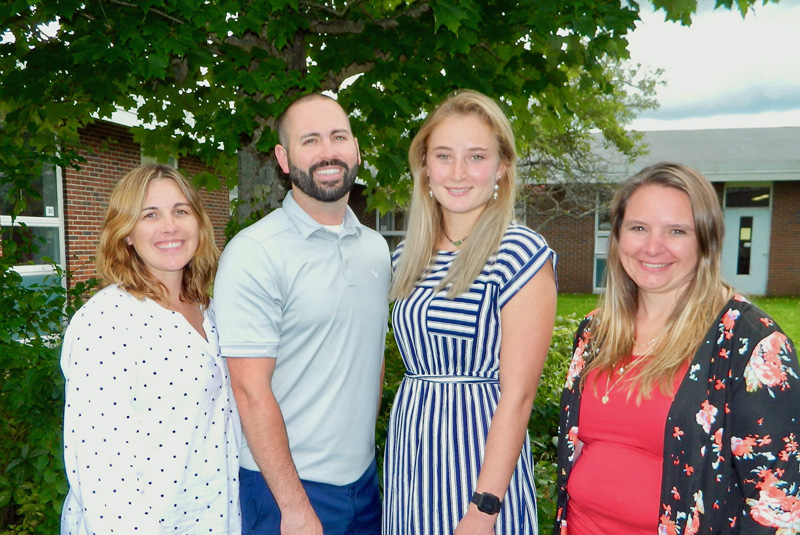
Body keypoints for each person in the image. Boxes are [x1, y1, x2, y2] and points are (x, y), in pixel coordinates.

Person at [553, 162, 800, 535]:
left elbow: (777, 509)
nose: (653, 247)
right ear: (617, 236)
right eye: (638, 228)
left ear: (705, 240)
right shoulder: (596, 331)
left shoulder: (752, 345)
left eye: (676, 231)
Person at [213, 93, 391, 535]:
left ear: (356, 149)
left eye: (338, 137)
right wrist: (293, 508)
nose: (327, 151)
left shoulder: (376, 248)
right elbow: (249, 390)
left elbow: (370, 357)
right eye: (309, 140)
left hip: (365, 485)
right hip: (287, 491)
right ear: (284, 158)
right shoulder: (255, 252)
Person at [383, 89, 558, 535]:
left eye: (476, 157)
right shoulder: (406, 256)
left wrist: (484, 507)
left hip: (478, 463)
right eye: (444, 156)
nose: (458, 173)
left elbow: (518, 396)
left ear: (501, 166)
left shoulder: (520, 253)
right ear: (424, 165)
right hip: (411, 455)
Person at [60, 164, 241, 534]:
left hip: (213, 518)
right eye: (150, 215)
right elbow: (98, 469)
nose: (169, 226)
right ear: (126, 234)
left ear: (198, 223)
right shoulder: (106, 321)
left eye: (180, 211)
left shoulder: (213, 309)